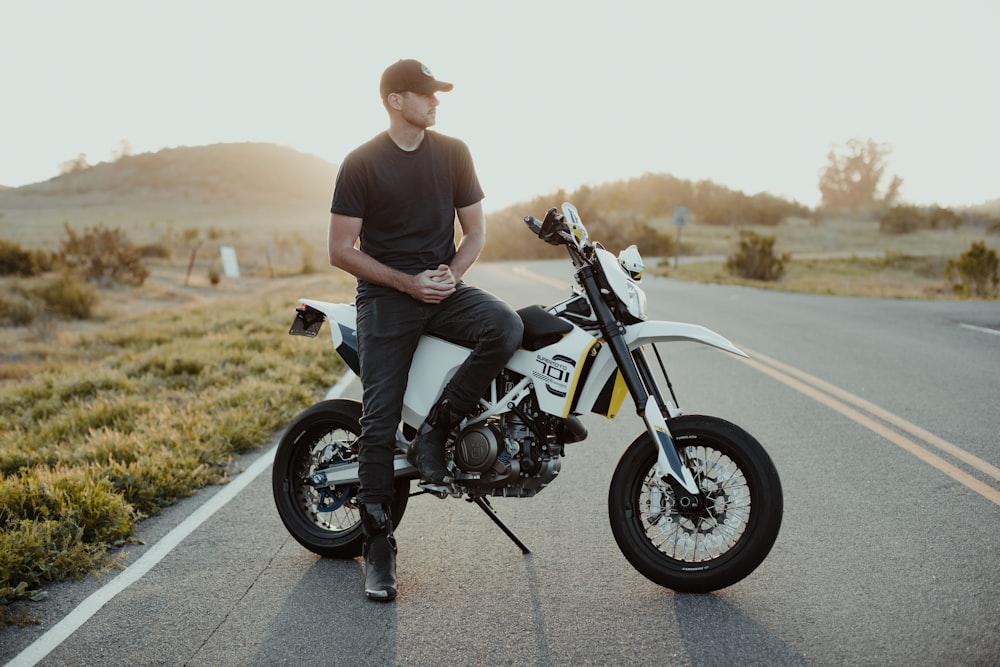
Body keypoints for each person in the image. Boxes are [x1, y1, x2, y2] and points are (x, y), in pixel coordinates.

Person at [327, 59, 523, 602]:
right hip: (387, 298)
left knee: (505, 326)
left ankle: (438, 429)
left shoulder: (454, 152)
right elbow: (340, 249)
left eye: (437, 94)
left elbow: (476, 229)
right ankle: (379, 543)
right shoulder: (361, 163)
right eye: (426, 94)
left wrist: (449, 277)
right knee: (381, 412)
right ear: (395, 100)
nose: (436, 102)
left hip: (443, 290)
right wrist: (407, 284)